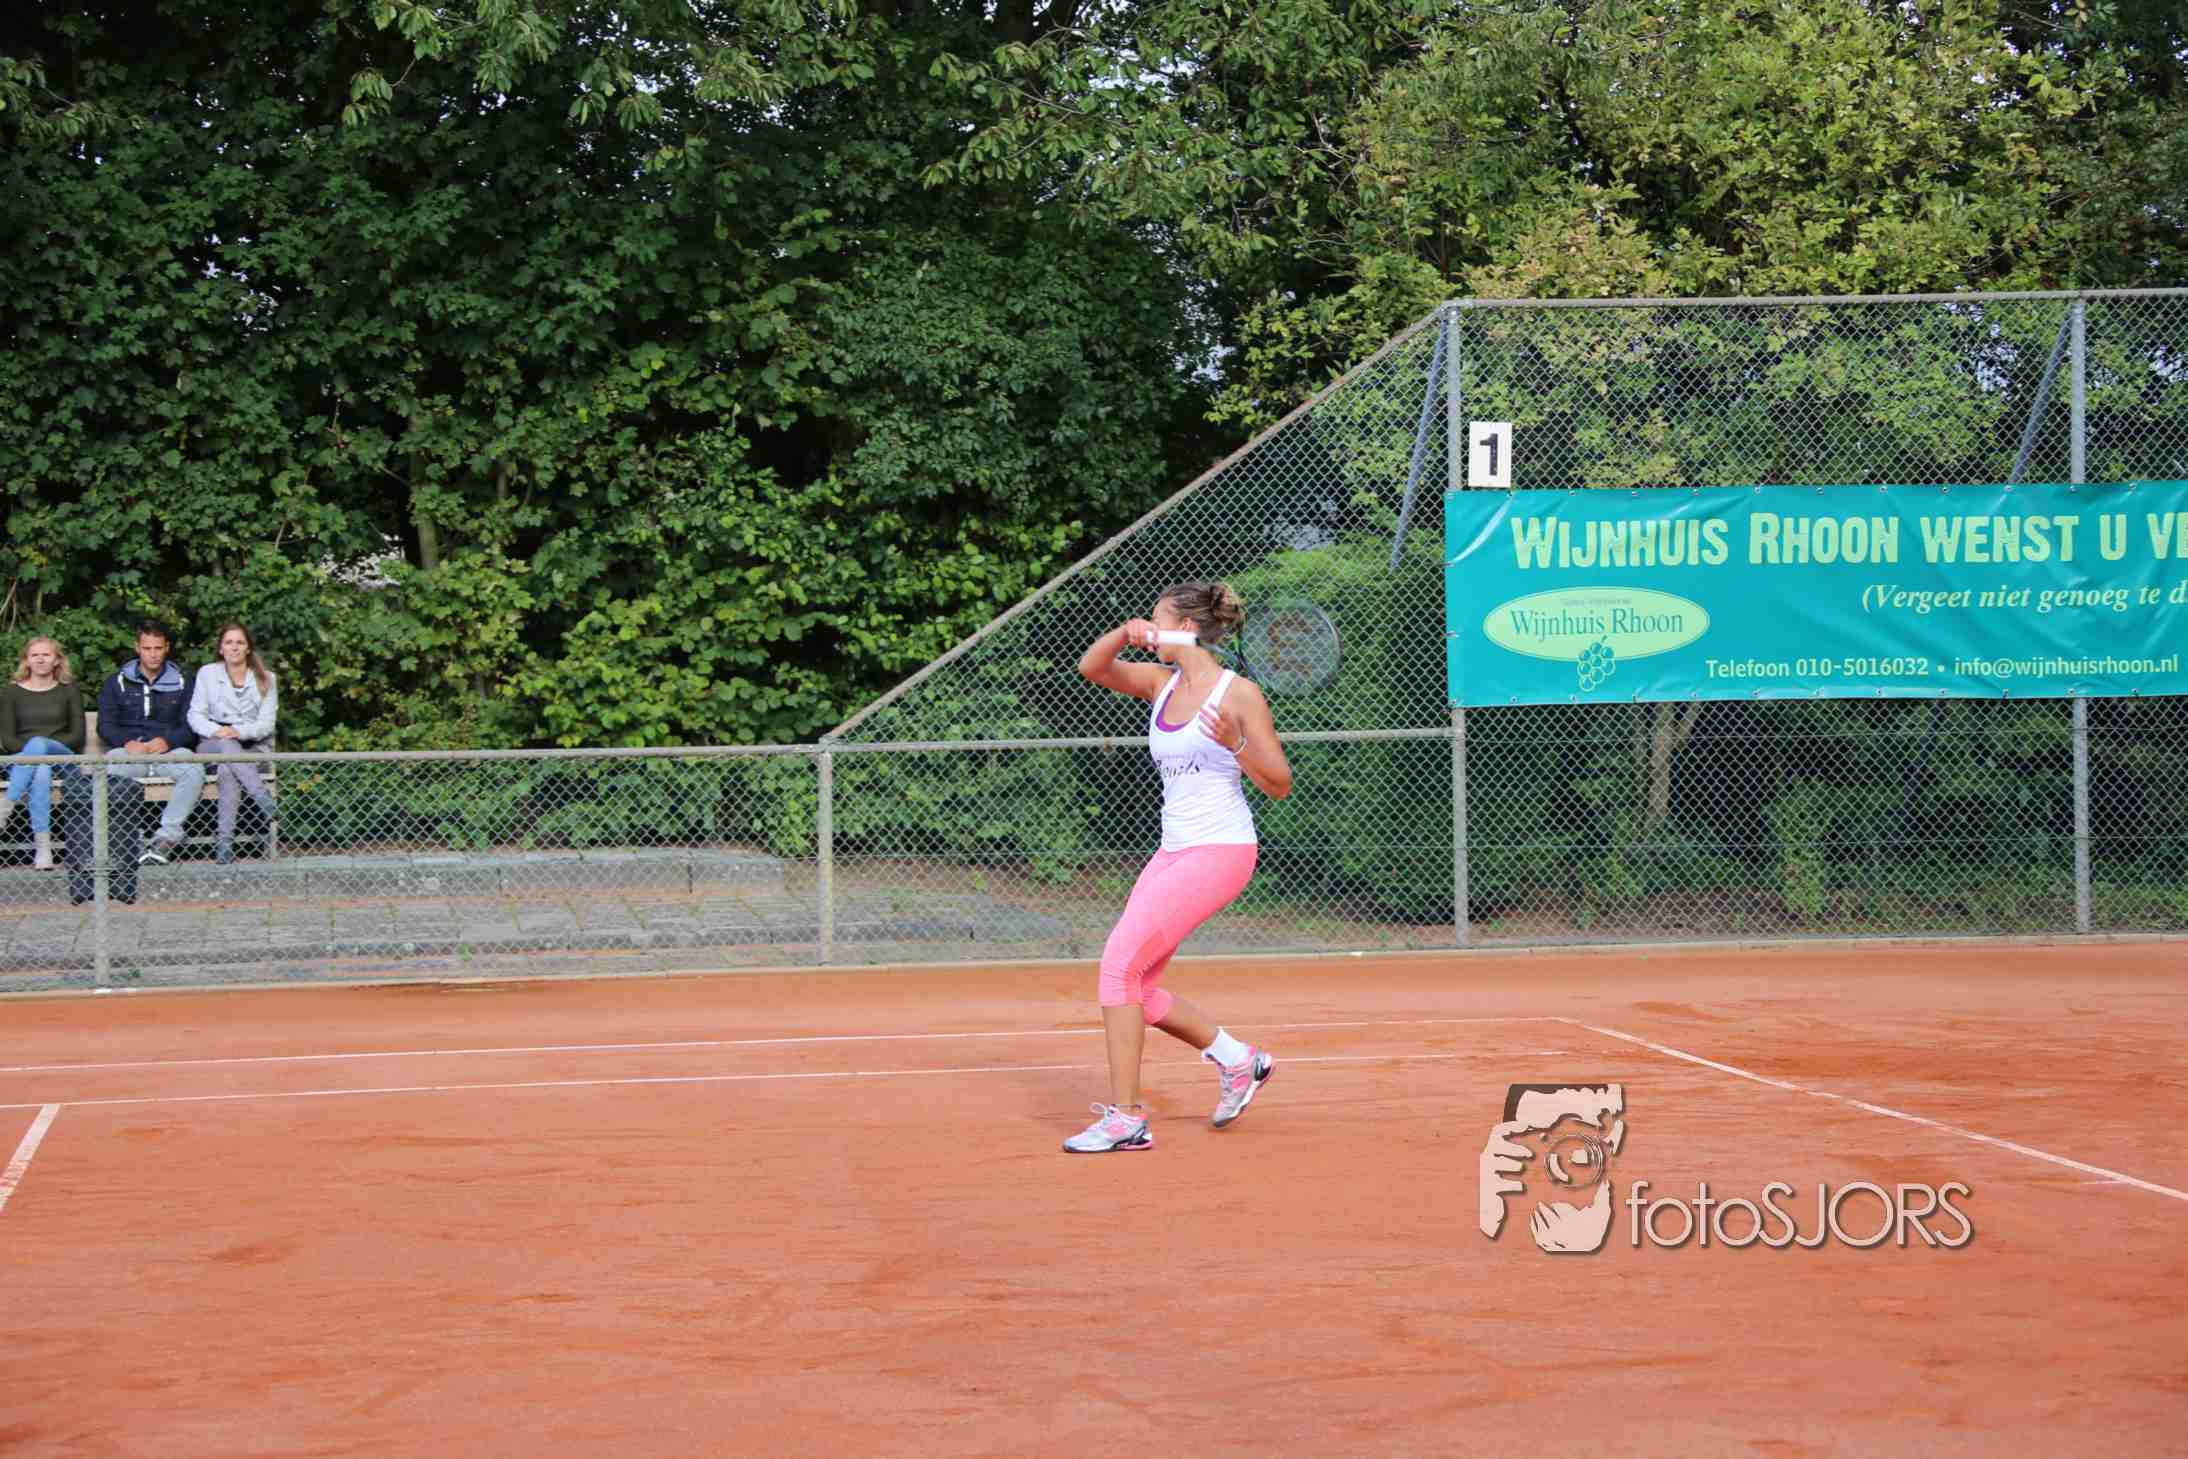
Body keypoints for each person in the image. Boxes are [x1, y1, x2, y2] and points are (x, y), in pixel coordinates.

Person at [1062, 580, 1294, 1153]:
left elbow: (1279, 784)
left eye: (1157, 619)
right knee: (1138, 986)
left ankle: (1126, 1120)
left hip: (1221, 851)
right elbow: (1093, 667)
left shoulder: (1239, 695)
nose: (1150, 626)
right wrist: (1126, 633)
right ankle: (1238, 1059)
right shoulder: (1160, 683)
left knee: (1118, 967)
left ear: (1186, 628)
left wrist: (1236, 743)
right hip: (1172, 852)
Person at [89, 620, 206, 865]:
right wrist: (126, 742)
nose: (153, 654)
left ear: (167, 648)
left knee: (194, 770)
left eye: (158, 648)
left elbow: (191, 725)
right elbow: (105, 726)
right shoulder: (116, 682)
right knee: (110, 769)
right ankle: (133, 840)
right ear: (137, 648)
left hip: (168, 753)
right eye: (147, 648)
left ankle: (166, 838)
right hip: (131, 754)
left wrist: (168, 741)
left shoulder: (184, 681)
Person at [188, 621, 278, 864]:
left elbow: (266, 724)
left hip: (253, 746)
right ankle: (259, 794)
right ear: (220, 648)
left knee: (228, 769)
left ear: (248, 648)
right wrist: (220, 731)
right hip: (212, 743)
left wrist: (238, 731)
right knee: (227, 746)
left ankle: (224, 845)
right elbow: (195, 715)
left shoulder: (266, 678)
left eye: (240, 642)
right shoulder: (207, 673)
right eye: (229, 642)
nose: (234, 647)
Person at [0, 637, 87, 870]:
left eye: (46, 654)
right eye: (35, 655)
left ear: (57, 660)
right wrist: (35, 753)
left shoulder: (69, 690)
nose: (40, 659)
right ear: (26, 660)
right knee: (40, 770)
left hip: (62, 758)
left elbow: (77, 737)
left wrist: (41, 745)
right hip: (24, 760)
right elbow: (8, 741)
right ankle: (43, 850)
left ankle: (6, 806)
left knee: (39, 745)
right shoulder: (11, 693)